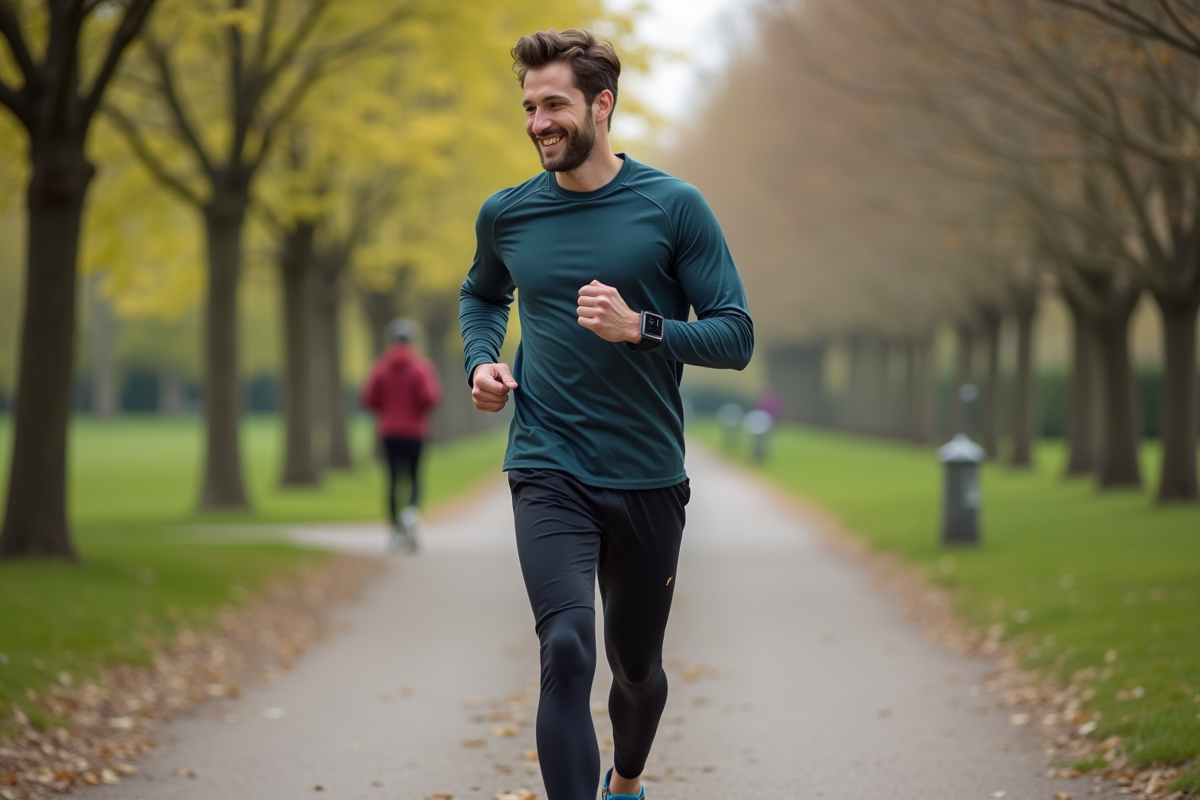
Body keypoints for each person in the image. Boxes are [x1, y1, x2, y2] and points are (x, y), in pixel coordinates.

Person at [459, 28, 753, 800]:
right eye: (528, 107)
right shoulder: (508, 215)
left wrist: (642, 327)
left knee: (637, 672)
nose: (537, 122)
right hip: (546, 462)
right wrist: (482, 360)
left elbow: (735, 335)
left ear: (602, 104)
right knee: (565, 645)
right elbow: (483, 295)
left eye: (553, 104)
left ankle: (626, 781)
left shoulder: (673, 207)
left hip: (647, 472)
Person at [361, 318, 443, 553]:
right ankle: (411, 514)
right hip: (415, 432)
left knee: (392, 481)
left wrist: (386, 410)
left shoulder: (380, 367)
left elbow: (368, 398)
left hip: (388, 432)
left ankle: (396, 532)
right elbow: (431, 398)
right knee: (415, 477)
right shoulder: (421, 367)